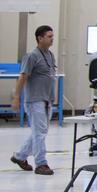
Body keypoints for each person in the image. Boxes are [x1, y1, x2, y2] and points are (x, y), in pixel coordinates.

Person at [10, 25, 58, 176]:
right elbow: (23, 77)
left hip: (47, 99)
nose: (52, 39)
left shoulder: (50, 55)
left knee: (40, 131)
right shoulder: (31, 56)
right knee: (40, 134)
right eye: (49, 36)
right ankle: (41, 164)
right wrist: (16, 97)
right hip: (35, 100)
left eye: (52, 36)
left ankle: (20, 156)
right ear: (40, 38)